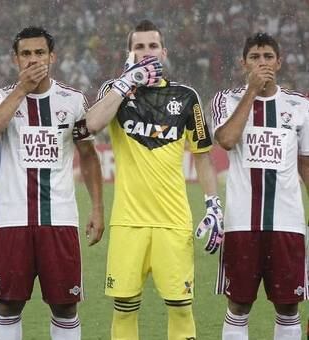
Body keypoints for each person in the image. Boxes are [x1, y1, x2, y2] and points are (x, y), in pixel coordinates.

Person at [85, 19, 221, 340]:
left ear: (164, 51)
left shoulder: (186, 96)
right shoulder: (113, 91)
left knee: (181, 307)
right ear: (129, 53)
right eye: (139, 47)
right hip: (128, 222)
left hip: (173, 222)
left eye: (152, 46)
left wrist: (213, 203)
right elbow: (91, 124)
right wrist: (125, 83)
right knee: (124, 306)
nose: (147, 52)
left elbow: (202, 155)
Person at [0, 26, 104, 340]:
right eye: (26, 54)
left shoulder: (73, 100)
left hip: (59, 220)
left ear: (52, 57)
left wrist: (98, 209)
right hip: (12, 219)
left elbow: (88, 155)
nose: (33, 60)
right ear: (15, 59)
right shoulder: (2, 97)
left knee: (64, 307)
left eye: (39, 53)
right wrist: (21, 90)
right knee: (8, 304)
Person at [212, 33, 308, 340]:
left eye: (268, 56)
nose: (261, 62)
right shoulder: (225, 100)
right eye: (254, 57)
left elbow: (306, 164)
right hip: (242, 223)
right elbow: (226, 141)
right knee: (239, 304)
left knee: (289, 306)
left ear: (279, 62)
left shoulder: (299, 105)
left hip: (288, 223)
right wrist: (251, 93)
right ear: (243, 63)